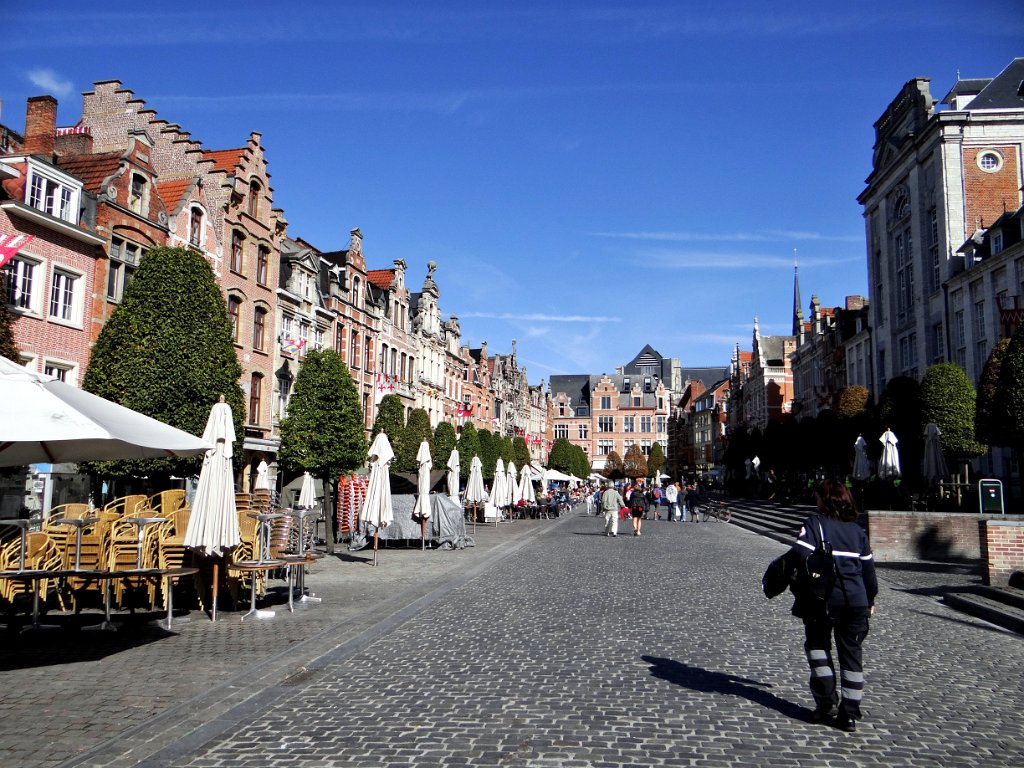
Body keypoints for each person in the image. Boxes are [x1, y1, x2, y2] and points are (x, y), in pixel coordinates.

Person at [787, 479, 877, 732]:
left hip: (822, 599)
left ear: (823, 500)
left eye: (817, 497)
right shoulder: (857, 531)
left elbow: (799, 554)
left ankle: (827, 703)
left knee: (818, 648)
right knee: (852, 657)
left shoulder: (816, 523)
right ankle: (849, 714)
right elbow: (869, 571)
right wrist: (870, 599)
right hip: (856, 600)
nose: (815, 501)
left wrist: (783, 575)